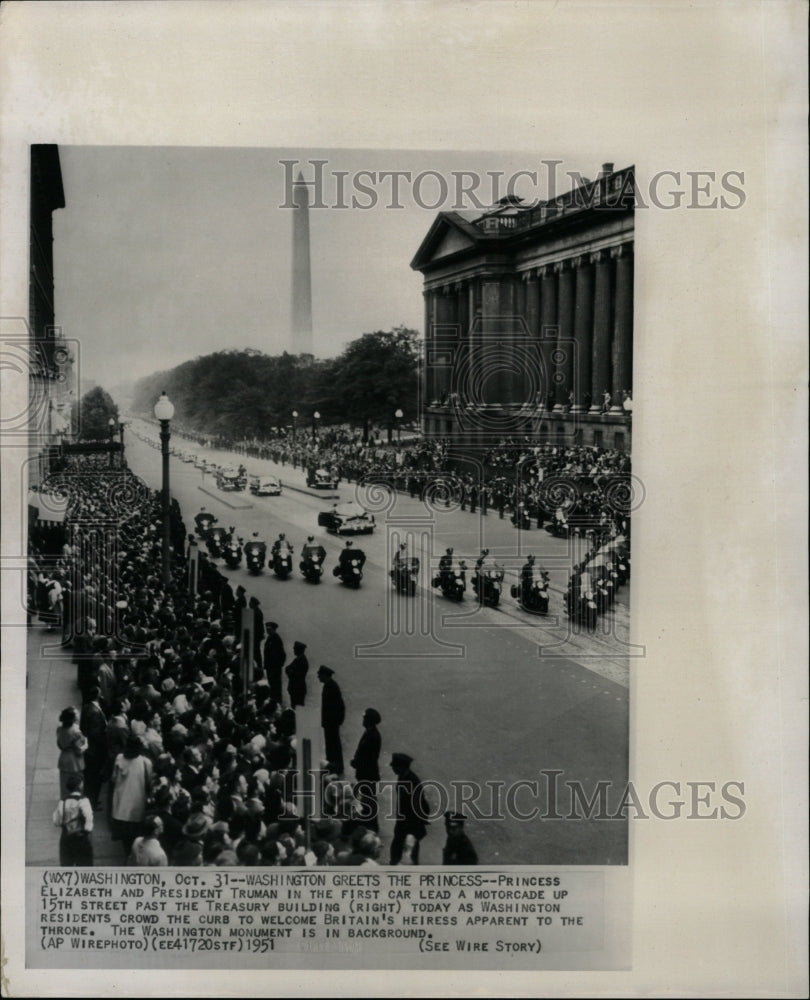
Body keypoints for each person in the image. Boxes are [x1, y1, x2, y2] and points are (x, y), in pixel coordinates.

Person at [111, 734, 153, 857]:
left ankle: (128, 854)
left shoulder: (119, 758)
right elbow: (149, 781)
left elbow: (113, 778)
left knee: (126, 838)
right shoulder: (146, 762)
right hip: (137, 804)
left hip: (121, 804)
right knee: (136, 835)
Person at [389, 752, 430, 865]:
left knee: (410, 853)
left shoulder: (412, 782)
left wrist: (414, 829)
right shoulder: (402, 777)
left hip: (411, 825)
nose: (392, 767)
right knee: (396, 850)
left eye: (395, 766)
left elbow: (422, 806)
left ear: (402, 767)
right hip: (403, 822)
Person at [350, 708, 381, 832]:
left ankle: (372, 824)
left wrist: (356, 763)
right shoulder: (369, 732)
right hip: (366, 773)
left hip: (368, 773)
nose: (362, 720)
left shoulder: (372, 736)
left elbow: (367, 757)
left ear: (368, 720)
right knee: (367, 797)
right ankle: (369, 821)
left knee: (369, 798)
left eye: (364, 718)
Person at [52, 773, 94, 866]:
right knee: (85, 867)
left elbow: (56, 821)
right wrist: (87, 830)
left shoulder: (62, 802)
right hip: (81, 838)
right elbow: (89, 817)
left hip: (66, 838)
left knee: (67, 866)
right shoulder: (83, 800)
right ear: (80, 786)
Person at [80, 686, 107, 810]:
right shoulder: (95, 712)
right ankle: (93, 802)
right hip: (95, 750)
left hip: (89, 749)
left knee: (89, 777)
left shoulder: (87, 707)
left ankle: (91, 799)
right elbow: (95, 733)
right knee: (94, 777)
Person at [318, 666, 345, 776]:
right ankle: (333, 765)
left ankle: (336, 767)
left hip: (332, 723)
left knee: (333, 745)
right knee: (331, 745)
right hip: (330, 722)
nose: (318, 677)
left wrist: (337, 721)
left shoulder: (331, 687)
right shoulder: (329, 685)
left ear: (325, 675)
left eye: (320, 675)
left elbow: (339, 706)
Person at [56, 706, 87, 799]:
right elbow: (79, 750)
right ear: (73, 718)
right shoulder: (76, 731)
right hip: (74, 762)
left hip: (63, 759)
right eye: (76, 713)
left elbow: (59, 745)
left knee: (64, 786)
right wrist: (86, 745)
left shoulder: (59, 729)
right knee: (77, 785)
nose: (78, 714)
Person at [262, 621, 287, 707]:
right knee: (272, 685)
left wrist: (278, 665)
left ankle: (277, 703)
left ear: (274, 629)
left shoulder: (276, 639)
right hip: (271, 667)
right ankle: (274, 702)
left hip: (274, 668)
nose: (267, 631)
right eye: (266, 629)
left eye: (269, 629)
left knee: (275, 685)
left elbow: (282, 655)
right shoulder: (271, 638)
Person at [285, 641, 309, 708]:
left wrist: (290, 672)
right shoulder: (298, 659)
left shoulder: (302, 661)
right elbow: (287, 669)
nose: (293, 650)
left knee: (297, 709)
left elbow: (296, 674)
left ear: (299, 650)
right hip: (295, 688)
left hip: (298, 689)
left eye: (295, 649)